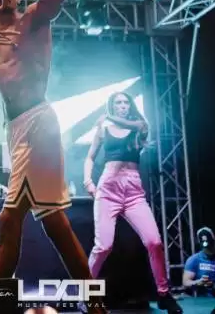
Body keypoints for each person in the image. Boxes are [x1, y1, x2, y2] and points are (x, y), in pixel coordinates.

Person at [0, 0, 104, 314]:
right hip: (15, 130)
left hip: (38, 121)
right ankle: (96, 303)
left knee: (8, 221)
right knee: (55, 223)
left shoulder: (32, 19)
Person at [83, 92, 182, 313]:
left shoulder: (139, 125)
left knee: (154, 241)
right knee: (103, 246)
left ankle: (164, 293)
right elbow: (90, 157)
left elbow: (133, 125)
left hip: (133, 191)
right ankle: (86, 296)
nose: (122, 106)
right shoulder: (104, 129)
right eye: (118, 102)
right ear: (112, 105)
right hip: (108, 189)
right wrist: (88, 180)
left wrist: (107, 116)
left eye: (126, 102)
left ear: (131, 105)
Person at [182, 228, 215, 297]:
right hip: (201, 300)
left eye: (210, 245)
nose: (208, 248)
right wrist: (198, 282)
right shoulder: (194, 259)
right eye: (205, 246)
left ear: (214, 241)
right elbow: (185, 282)